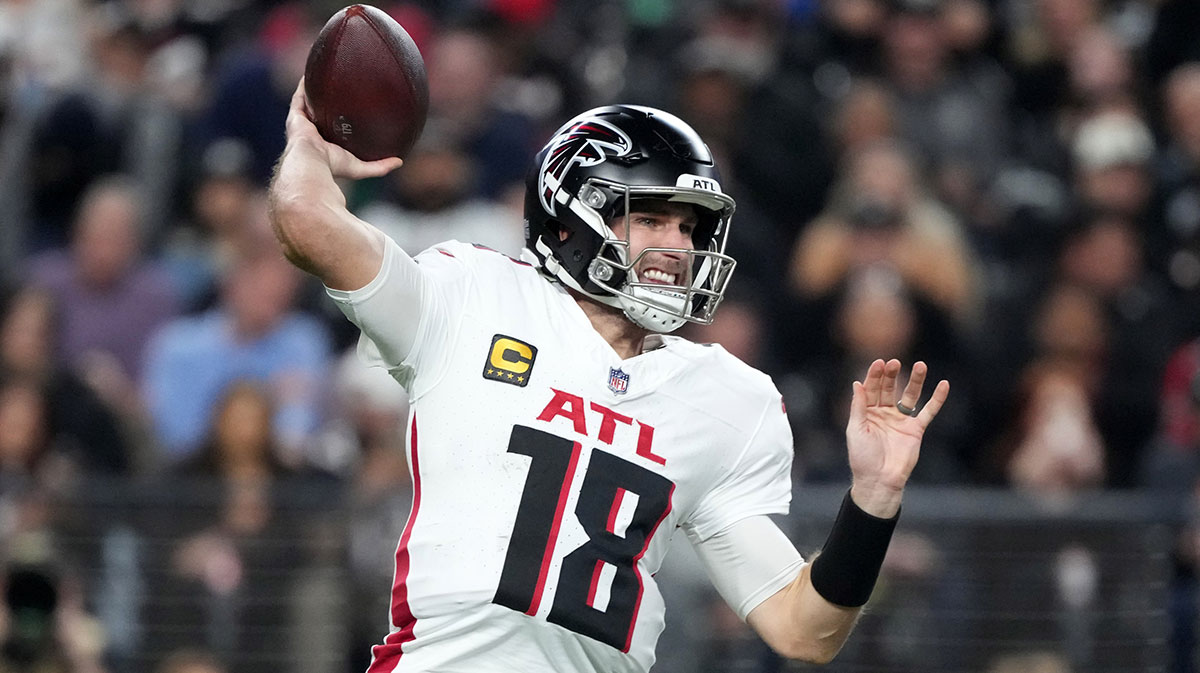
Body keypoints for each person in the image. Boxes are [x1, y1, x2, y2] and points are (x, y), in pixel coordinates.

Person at [268, 78, 950, 672]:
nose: (677, 248)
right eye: (651, 218)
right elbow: (306, 221)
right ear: (569, 218)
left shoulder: (726, 401)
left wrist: (873, 499)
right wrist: (307, 146)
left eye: (689, 228)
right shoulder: (474, 296)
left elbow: (806, 628)